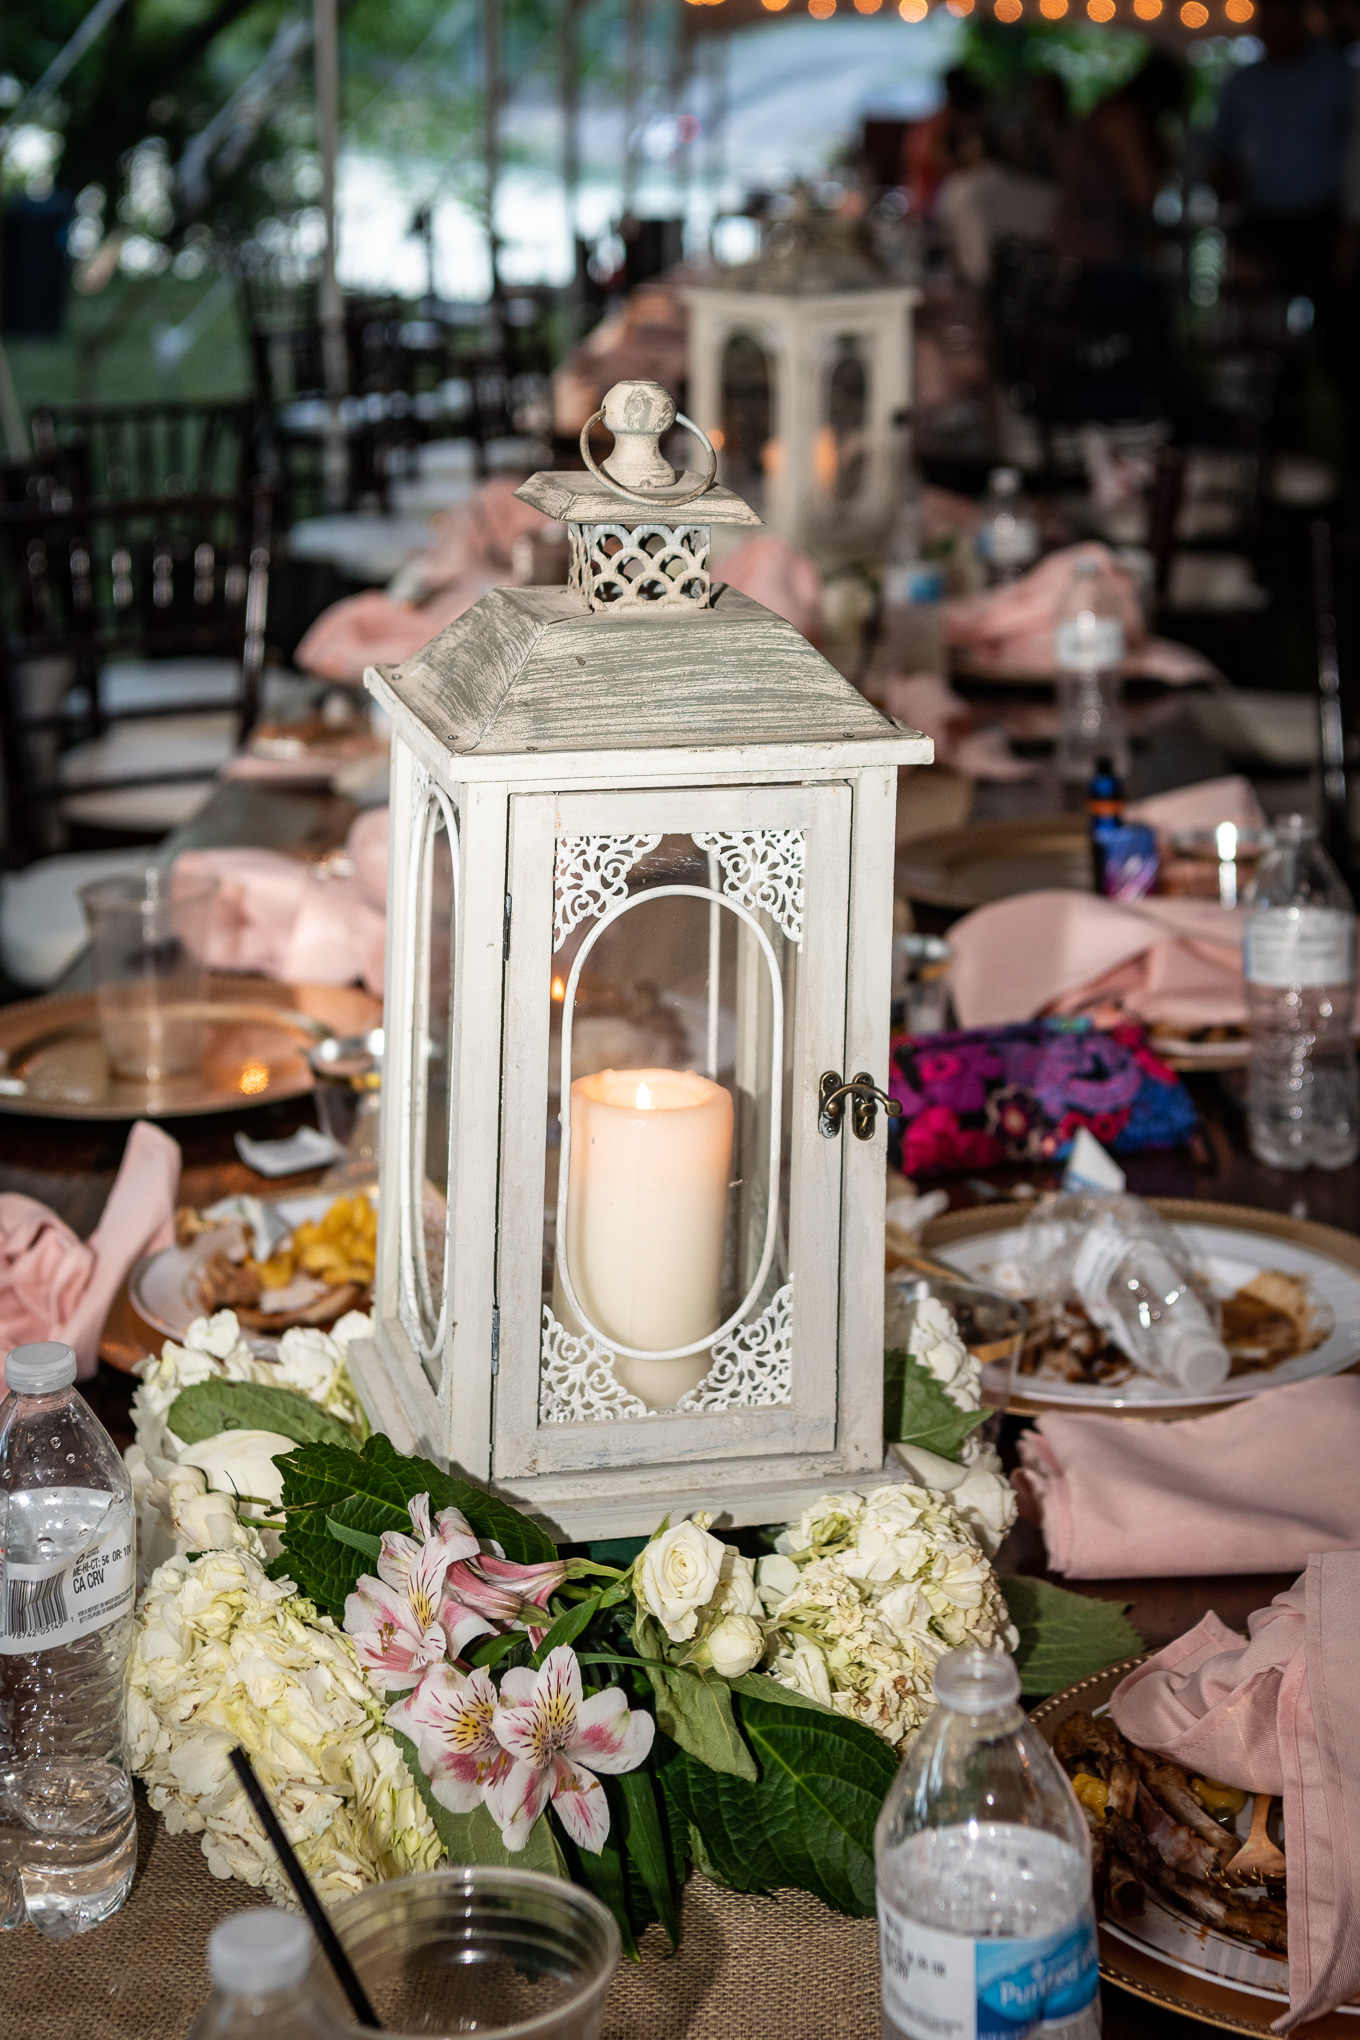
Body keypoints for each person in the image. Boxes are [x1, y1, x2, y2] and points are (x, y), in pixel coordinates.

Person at [1210, 0, 1350, 311]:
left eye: (1281, 24)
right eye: (1266, 24)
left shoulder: (1336, 76)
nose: (1273, 33)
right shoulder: (1243, 83)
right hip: (1260, 219)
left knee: (1332, 319)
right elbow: (1219, 148)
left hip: (1323, 221)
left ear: (1300, 24)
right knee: (1258, 321)